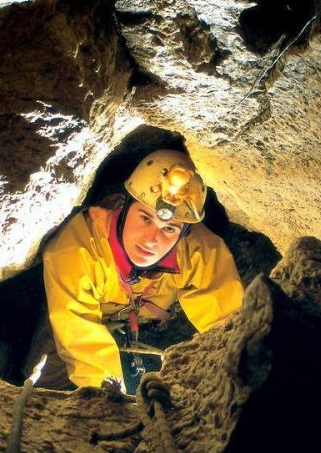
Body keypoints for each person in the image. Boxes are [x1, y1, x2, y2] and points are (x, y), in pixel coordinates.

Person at [22, 149, 245, 394]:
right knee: (47, 384)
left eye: (169, 229)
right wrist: (113, 400)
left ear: (184, 233)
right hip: (75, 316)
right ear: (124, 207)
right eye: (145, 218)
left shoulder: (200, 253)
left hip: (144, 319)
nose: (151, 239)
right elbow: (80, 340)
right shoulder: (76, 249)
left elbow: (230, 331)